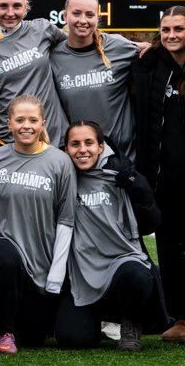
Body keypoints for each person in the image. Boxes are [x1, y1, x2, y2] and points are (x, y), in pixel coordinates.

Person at [132, 5, 185, 344]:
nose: (171, 36)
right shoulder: (151, 66)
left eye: (178, 29)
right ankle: (177, 317)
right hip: (162, 179)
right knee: (168, 248)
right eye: (165, 29)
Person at [0, 95, 77, 354]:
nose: (26, 125)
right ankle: (4, 331)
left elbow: (66, 220)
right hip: (2, 239)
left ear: (42, 123)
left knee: (34, 337)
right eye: (20, 119)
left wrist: (55, 275)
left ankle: (23, 318)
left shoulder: (60, 161)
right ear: (8, 123)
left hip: (41, 256)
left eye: (33, 120)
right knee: (7, 261)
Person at [55, 121, 161, 351]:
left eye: (89, 143)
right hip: (82, 271)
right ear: (65, 150)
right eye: (75, 144)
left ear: (101, 147)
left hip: (120, 263)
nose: (82, 149)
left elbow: (152, 221)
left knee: (136, 275)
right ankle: (97, 320)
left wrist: (135, 184)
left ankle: (130, 323)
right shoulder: (62, 178)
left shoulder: (120, 173)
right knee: (73, 339)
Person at [0, 0, 70, 148]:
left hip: (53, 133)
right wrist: (13, 101)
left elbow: (80, 45)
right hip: (10, 136)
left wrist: (131, 45)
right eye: (3, 6)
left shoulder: (43, 29)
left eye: (17, 6)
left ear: (26, 6)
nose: (10, 13)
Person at [50, 0, 140, 158]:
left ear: (98, 17)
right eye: (76, 13)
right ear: (65, 15)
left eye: (90, 15)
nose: (83, 20)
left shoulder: (119, 47)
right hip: (80, 159)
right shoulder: (53, 57)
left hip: (122, 159)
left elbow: (152, 50)